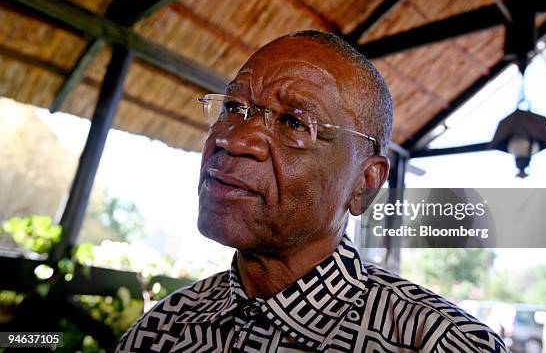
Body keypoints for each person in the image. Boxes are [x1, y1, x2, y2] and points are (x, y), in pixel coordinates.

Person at [116, 31, 508, 352]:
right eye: (234, 108)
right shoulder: (163, 328)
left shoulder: (443, 344)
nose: (235, 141)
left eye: (294, 123)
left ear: (364, 184)